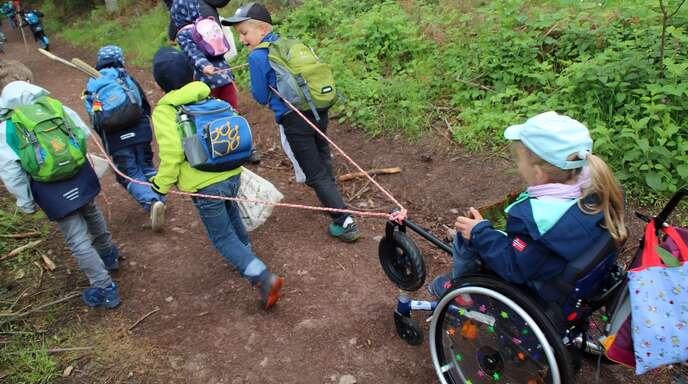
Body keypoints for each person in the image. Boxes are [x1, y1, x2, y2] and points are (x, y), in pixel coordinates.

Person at [428, 111, 627, 303]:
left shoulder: (533, 219)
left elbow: (513, 266)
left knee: (467, 235)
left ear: (539, 174)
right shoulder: (602, 189)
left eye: (520, 159)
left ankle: (462, 291)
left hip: (540, 288)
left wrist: (480, 232)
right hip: (566, 274)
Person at [150, 47, 284, 310]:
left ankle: (261, 275)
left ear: (159, 83)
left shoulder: (166, 110)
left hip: (204, 184)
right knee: (232, 216)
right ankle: (245, 256)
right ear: (191, 73)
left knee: (222, 237)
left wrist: (160, 185)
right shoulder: (210, 97)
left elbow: (172, 153)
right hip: (231, 173)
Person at [223, 3, 361, 243]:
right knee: (322, 154)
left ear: (262, 29)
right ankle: (332, 196)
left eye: (245, 33)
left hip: (293, 118)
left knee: (313, 172)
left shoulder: (257, 56)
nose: (242, 39)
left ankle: (345, 222)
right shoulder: (289, 43)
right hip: (318, 109)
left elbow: (260, 96)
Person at [0, 81, 121, 308]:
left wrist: (26, 201)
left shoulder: (7, 128)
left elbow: (11, 171)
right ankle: (109, 254)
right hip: (78, 173)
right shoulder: (55, 107)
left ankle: (105, 288)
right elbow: (83, 133)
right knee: (91, 211)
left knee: (76, 238)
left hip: (50, 187)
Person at [83, 45, 166, 232]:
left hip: (116, 138)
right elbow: (144, 104)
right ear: (120, 59)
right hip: (141, 130)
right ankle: (160, 197)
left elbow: (95, 119)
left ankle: (151, 202)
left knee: (129, 173)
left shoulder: (92, 85)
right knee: (146, 166)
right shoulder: (125, 78)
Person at [170, 0, 238, 110]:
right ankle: (236, 124)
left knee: (213, 112)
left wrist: (204, 65)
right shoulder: (208, 23)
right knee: (231, 109)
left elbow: (192, 53)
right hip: (225, 75)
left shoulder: (183, 33)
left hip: (206, 81)